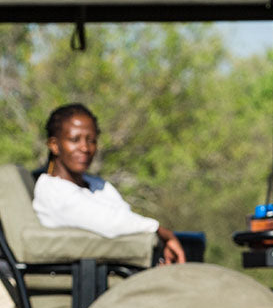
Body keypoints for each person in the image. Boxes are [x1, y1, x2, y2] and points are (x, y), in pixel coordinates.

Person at [32, 103, 186, 264]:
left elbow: (126, 217)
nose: (85, 147)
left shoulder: (97, 184)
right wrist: (160, 231)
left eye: (91, 140)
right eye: (74, 139)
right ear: (54, 145)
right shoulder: (52, 191)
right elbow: (111, 223)